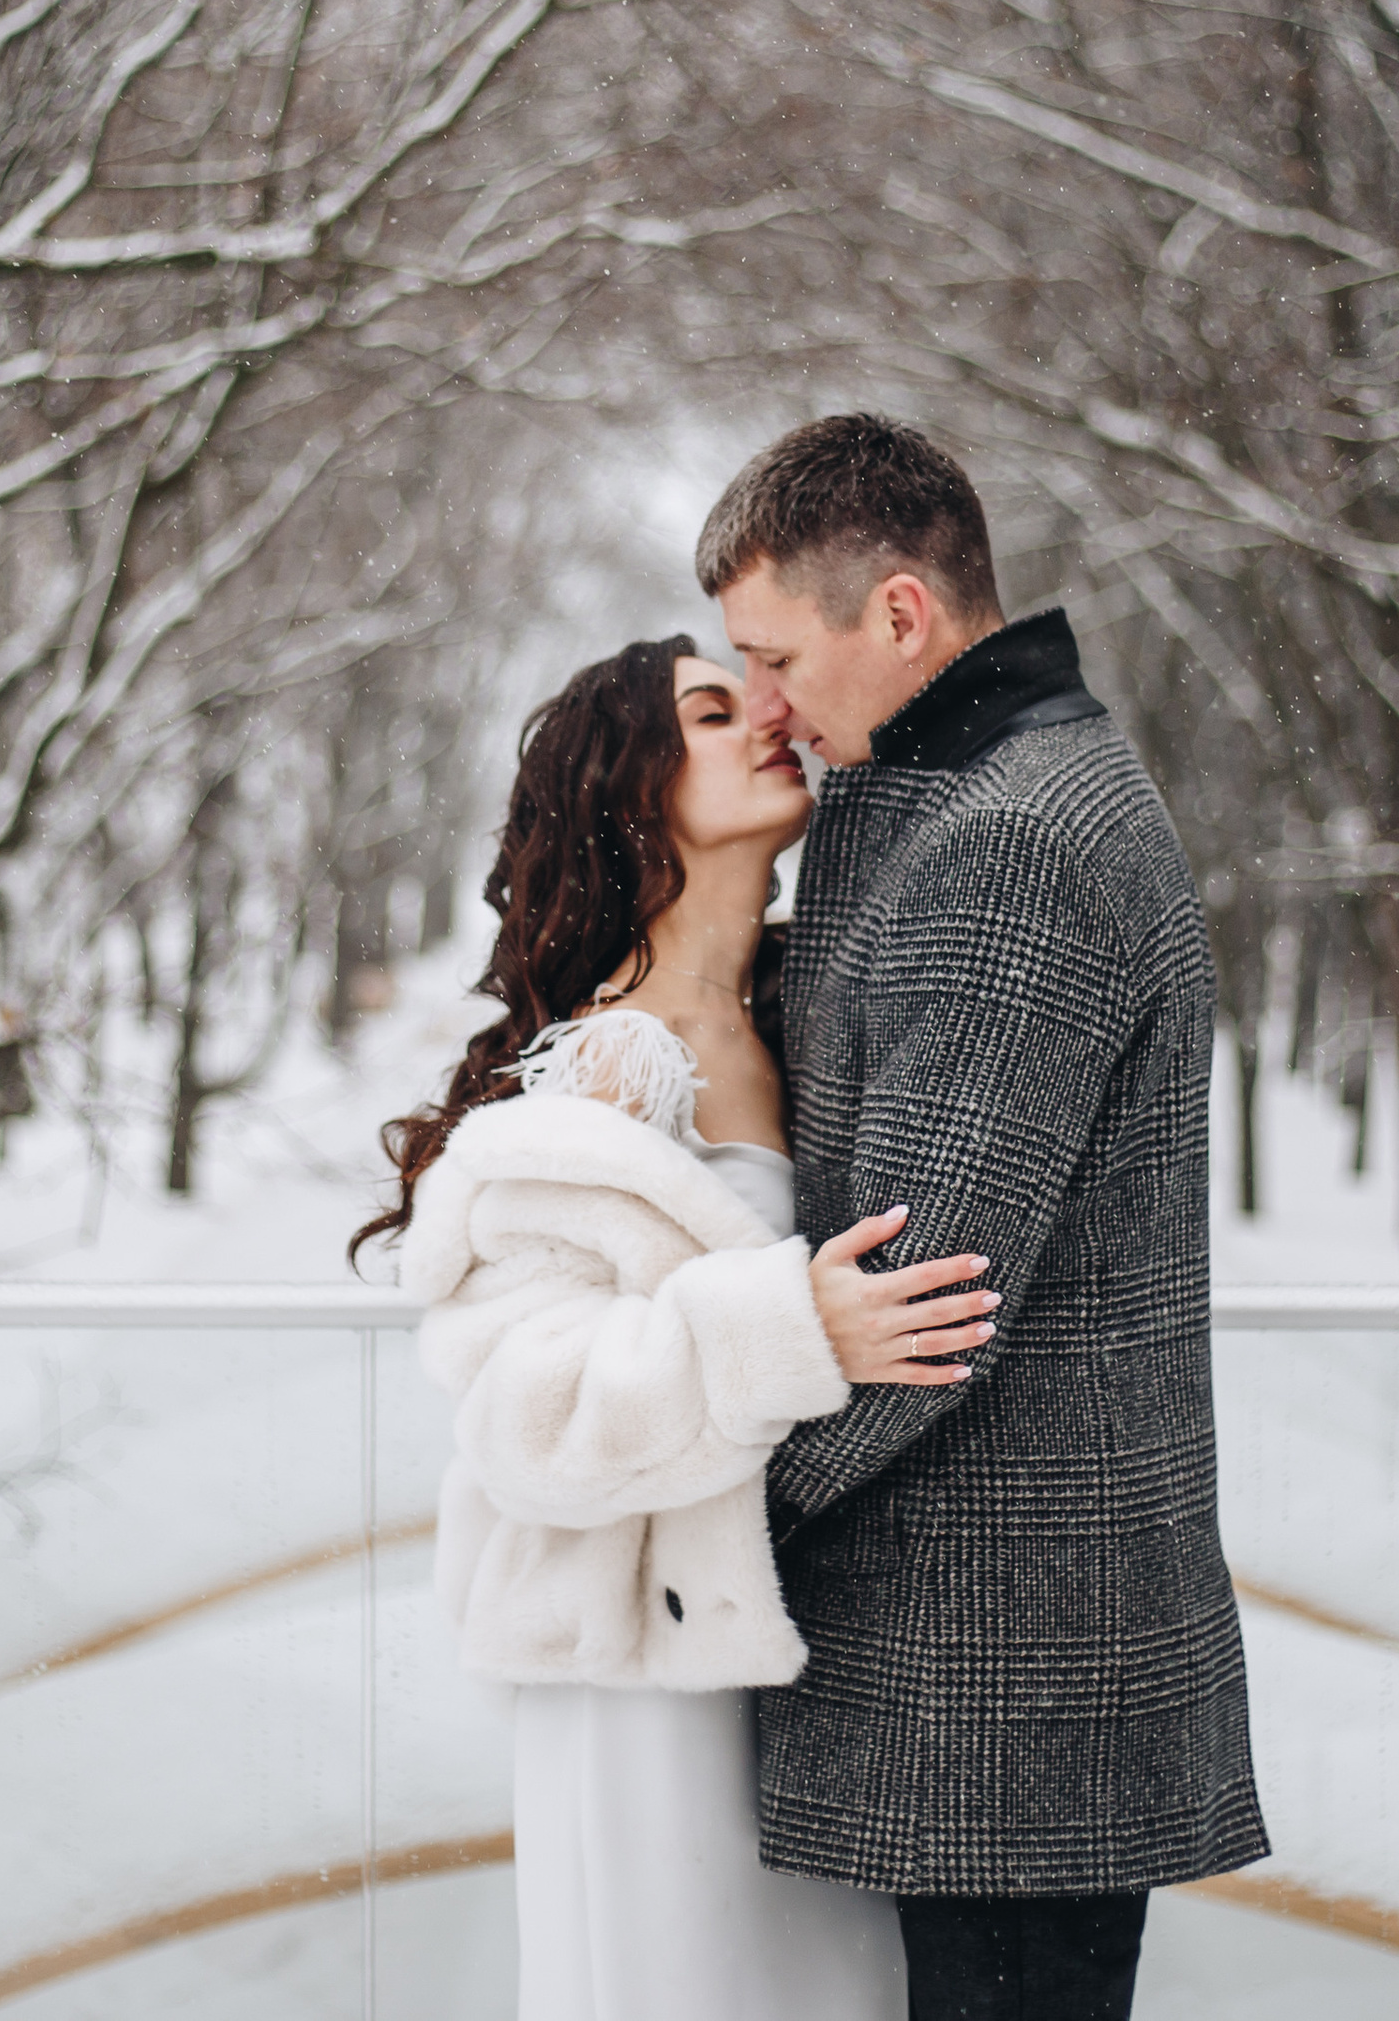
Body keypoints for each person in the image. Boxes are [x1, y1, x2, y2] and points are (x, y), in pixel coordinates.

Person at [696, 413, 1269, 2021]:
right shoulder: (999, 796)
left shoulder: (1006, 848)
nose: (770, 709)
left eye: (776, 658)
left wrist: (702, 1512)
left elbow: (916, 1308)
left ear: (898, 613)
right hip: (1017, 1674)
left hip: (1005, 1683)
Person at [366, 637, 988, 2021]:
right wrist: (794, 1326)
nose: (765, 716)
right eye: (714, 711)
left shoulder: (792, 1014)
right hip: (647, 1680)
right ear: (632, 795)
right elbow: (534, 1418)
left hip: (789, 1641)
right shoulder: (607, 1065)